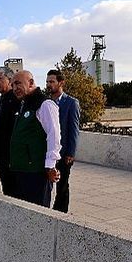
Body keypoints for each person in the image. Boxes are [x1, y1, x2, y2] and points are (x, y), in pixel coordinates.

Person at [9, 70, 61, 207]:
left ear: (31, 82)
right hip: (21, 170)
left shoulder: (45, 105)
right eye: (13, 84)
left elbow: (54, 135)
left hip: (36, 173)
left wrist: (50, 166)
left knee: (38, 215)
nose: (15, 88)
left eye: (18, 83)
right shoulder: (24, 105)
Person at [46, 69, 80, 213]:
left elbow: (73, 130)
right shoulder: (45, 103)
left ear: (61, 83)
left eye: (52, 82)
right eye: (47, 82)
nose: (48, 85)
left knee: (63, 186)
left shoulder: (71, 103)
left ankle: (61, 214)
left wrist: (70, 153)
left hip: (64, 153)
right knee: (47, 185)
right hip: (48, 153)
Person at [0, 66, 20, 197]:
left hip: (10, 156)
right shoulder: (1, 99)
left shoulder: (16, 100)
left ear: (10, 79)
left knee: (14, 191)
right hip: (0, 155)